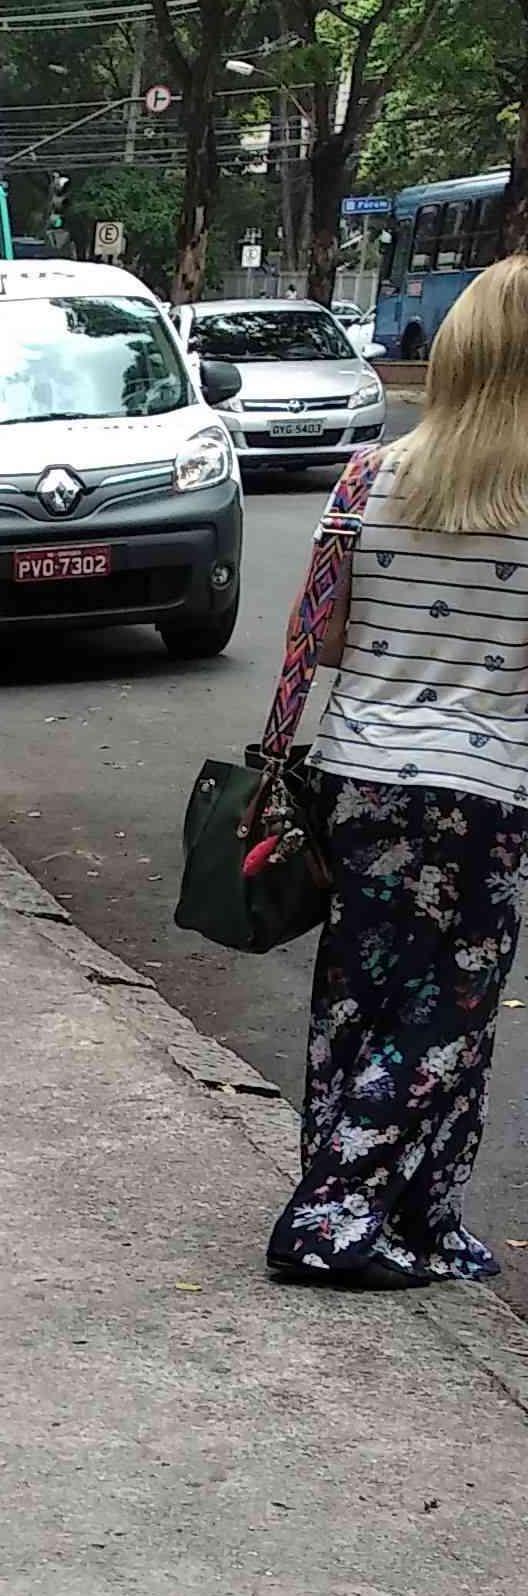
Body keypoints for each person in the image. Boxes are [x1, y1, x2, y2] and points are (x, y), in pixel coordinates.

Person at [262, 254, 528, 1288]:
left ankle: (419, 1218)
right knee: (448, 1014)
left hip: (357, 775)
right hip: (486, 793)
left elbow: (315, 641)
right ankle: (333, 1220)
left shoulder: (366, 478)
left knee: (358, 997)